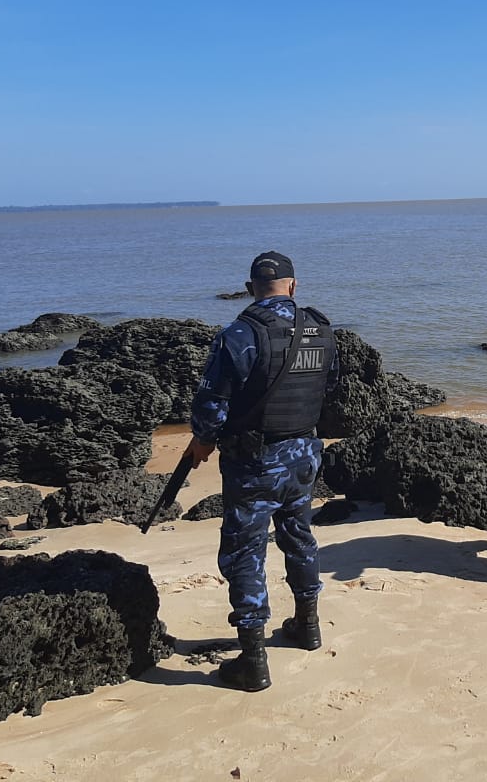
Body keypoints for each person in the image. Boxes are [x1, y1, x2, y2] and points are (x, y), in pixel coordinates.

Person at [186, 251, 338, 691]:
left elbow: (211, 403)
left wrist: (203, 440)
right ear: (293, 285)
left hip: (254, 463)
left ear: (250, 288)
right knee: (299, 536)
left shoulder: (239, 334)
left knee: (245, 552)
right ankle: (308, 626)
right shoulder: (321, 330)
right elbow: (330, 387)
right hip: (304, 454)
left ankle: (253, 661)